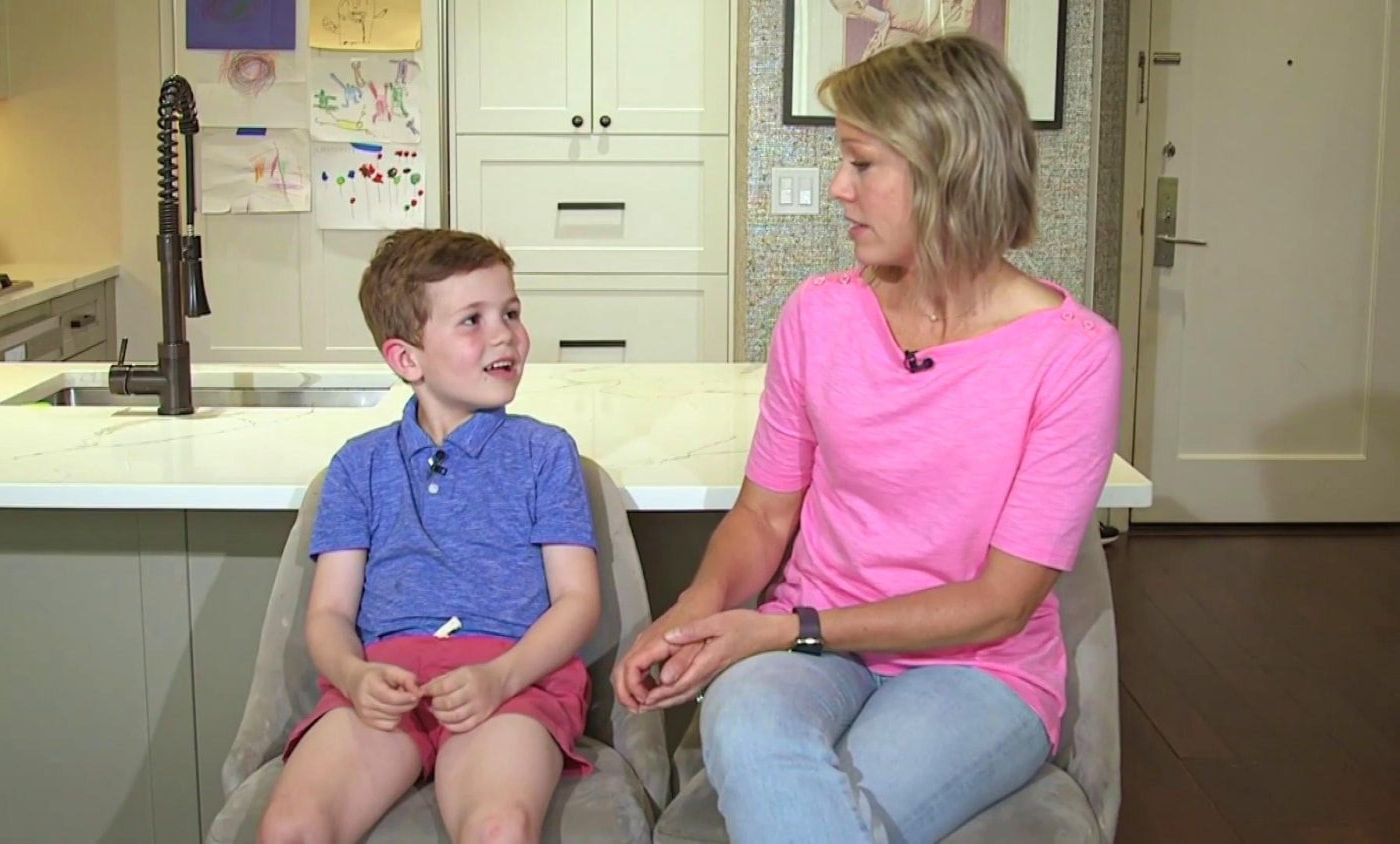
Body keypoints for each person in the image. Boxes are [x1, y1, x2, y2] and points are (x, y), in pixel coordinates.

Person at [611, 34, 1121, 844]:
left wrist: (788, 628)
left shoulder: (1073, 355)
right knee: (748, 726)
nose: (837, 188)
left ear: (947, 170)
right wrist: (693, 610)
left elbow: (1001, 603)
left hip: (977, 669)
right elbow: (763, 515)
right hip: (810, 651)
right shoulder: (819, 314)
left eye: (862, 163)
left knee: (811, 811)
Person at [259, 229, 603, 844]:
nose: (505, 335)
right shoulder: (358, 465)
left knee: (498, 828)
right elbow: (329, 613)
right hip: (387, 683)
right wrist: (354, 676)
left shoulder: (545, 453)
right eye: (473, 320)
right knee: (291, 829)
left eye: (511, 313)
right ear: (406, 360)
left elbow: (578, 601)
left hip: (510, 683)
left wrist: (501, 677)